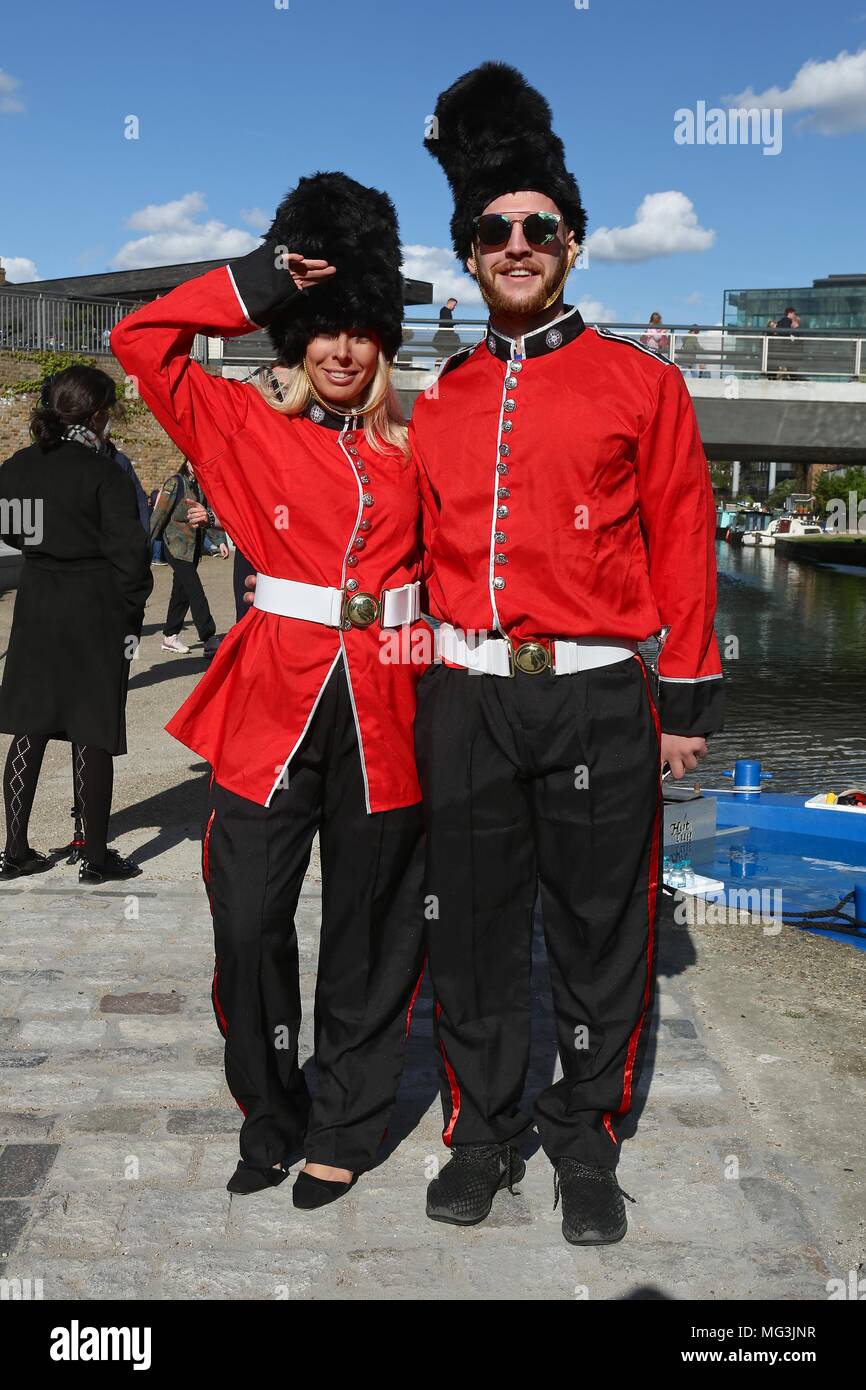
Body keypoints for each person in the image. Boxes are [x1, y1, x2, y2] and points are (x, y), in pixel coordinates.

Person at [413, 63, 723, 1244]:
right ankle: (480, 1130)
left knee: (600, 931)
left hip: (599, 694)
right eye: (492, 229)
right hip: (470, 698)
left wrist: (683, 701)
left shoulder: (642, 384)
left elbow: (685, 546)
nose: (516, 242)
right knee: (475, 927)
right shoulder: (437, 395)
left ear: (572, 243)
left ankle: (583, 1136)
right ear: (470, 251)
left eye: (538, 225)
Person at [111, 172, 426, 1206]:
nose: (340, 351)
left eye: (359, 334)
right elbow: (139, 344)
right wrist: (259, 279)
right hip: (269, 703)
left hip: (388, 707)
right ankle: (270, 1105)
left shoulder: (419, 457)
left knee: (369, 928)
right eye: (321, 332)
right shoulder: (240, 427)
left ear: (382, 346)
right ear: (295, 344)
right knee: (247, 918)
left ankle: (345, 1117)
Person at [0, 367, 152, 882]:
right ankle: (93, 855)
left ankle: (14, 850)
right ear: (98, 413)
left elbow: (13, 530)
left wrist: (48, 550)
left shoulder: (20, 465)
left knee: (30, 727)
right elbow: (131, 560)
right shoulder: (104, 472)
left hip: (38, 605)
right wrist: (132, 613)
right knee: (93, 731)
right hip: (95, 610)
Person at [149, 458, 227, 654]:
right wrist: (144, 545)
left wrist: (220, 541)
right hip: (175, 545)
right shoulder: (175, 482)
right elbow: (159, 514)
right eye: (193, 461)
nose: (196, 465)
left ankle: (170, 636)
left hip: (193, 547)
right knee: (195, 590)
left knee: (181, 590)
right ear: (187, 463)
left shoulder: (201, 485)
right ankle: (209, 637)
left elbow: (207, 514)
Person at [432, 296, 460, 361]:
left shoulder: (445, 310)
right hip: (445, 337)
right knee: (445, 354)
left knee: (443, 354)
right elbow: (446, 323)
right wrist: (455, 322)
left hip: (445, 336)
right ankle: (438, 370)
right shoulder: (445, 311)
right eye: (454, 305)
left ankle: (437, 370)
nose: (454, 307)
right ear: (450, 303)